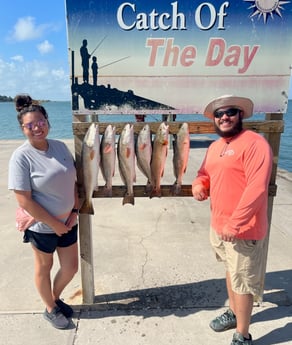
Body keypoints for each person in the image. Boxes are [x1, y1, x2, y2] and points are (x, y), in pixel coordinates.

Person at [192, 95, 273, 345]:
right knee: (231, 272)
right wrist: (199, 184)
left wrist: (234, 224)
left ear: (241, 115)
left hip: (243, 230)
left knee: (243, 283)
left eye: (230, 112)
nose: (224, 117)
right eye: (219, 114)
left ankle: (243, 334)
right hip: (219, 227)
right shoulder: (215, 146)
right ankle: (234, 313)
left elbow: (256, 189)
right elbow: (205, 172)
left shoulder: (255, 144)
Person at [8, 94, 79, 329]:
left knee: (70, 267)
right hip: (41, 227)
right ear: (22, 128)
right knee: (44, 268)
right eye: (30, 125)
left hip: (68, 221)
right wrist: (54, 224)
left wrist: (75, 210)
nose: (37, 128)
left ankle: (54, 298)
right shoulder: (21, 157)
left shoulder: (60, 146)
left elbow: (73, 181)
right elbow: (25, 201)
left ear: (47, 121)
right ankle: (50, 309)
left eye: (40, 122)